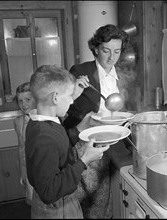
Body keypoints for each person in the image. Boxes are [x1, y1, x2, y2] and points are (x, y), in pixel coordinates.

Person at [63, 24, 130, 219]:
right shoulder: (80, 70)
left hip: (112, 140)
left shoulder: (122, 75)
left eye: (117, 51)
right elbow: (63, 108)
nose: (111, 58)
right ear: (95, 49)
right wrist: (75, 92)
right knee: (87, 195)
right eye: (106, 50)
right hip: (85, 141)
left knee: (103, 195)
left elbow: (123, 107)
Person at [25, 64, 109, 219]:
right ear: (55, 98)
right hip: (56, 207)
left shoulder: (43, 121)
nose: (72, 102)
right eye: (70, 96)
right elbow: (49, 192)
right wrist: (85, 160)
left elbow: (60, 146)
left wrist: (80, 128)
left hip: (63, 199)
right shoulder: (43, 137)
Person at [13, 82, 36, 206]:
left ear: (37, 98)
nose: (23, 104)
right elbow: (22, 149)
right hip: (29, 170)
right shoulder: (18, 122)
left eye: (27, 99)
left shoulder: (47, 118)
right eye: (20, 101)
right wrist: (23, 172)